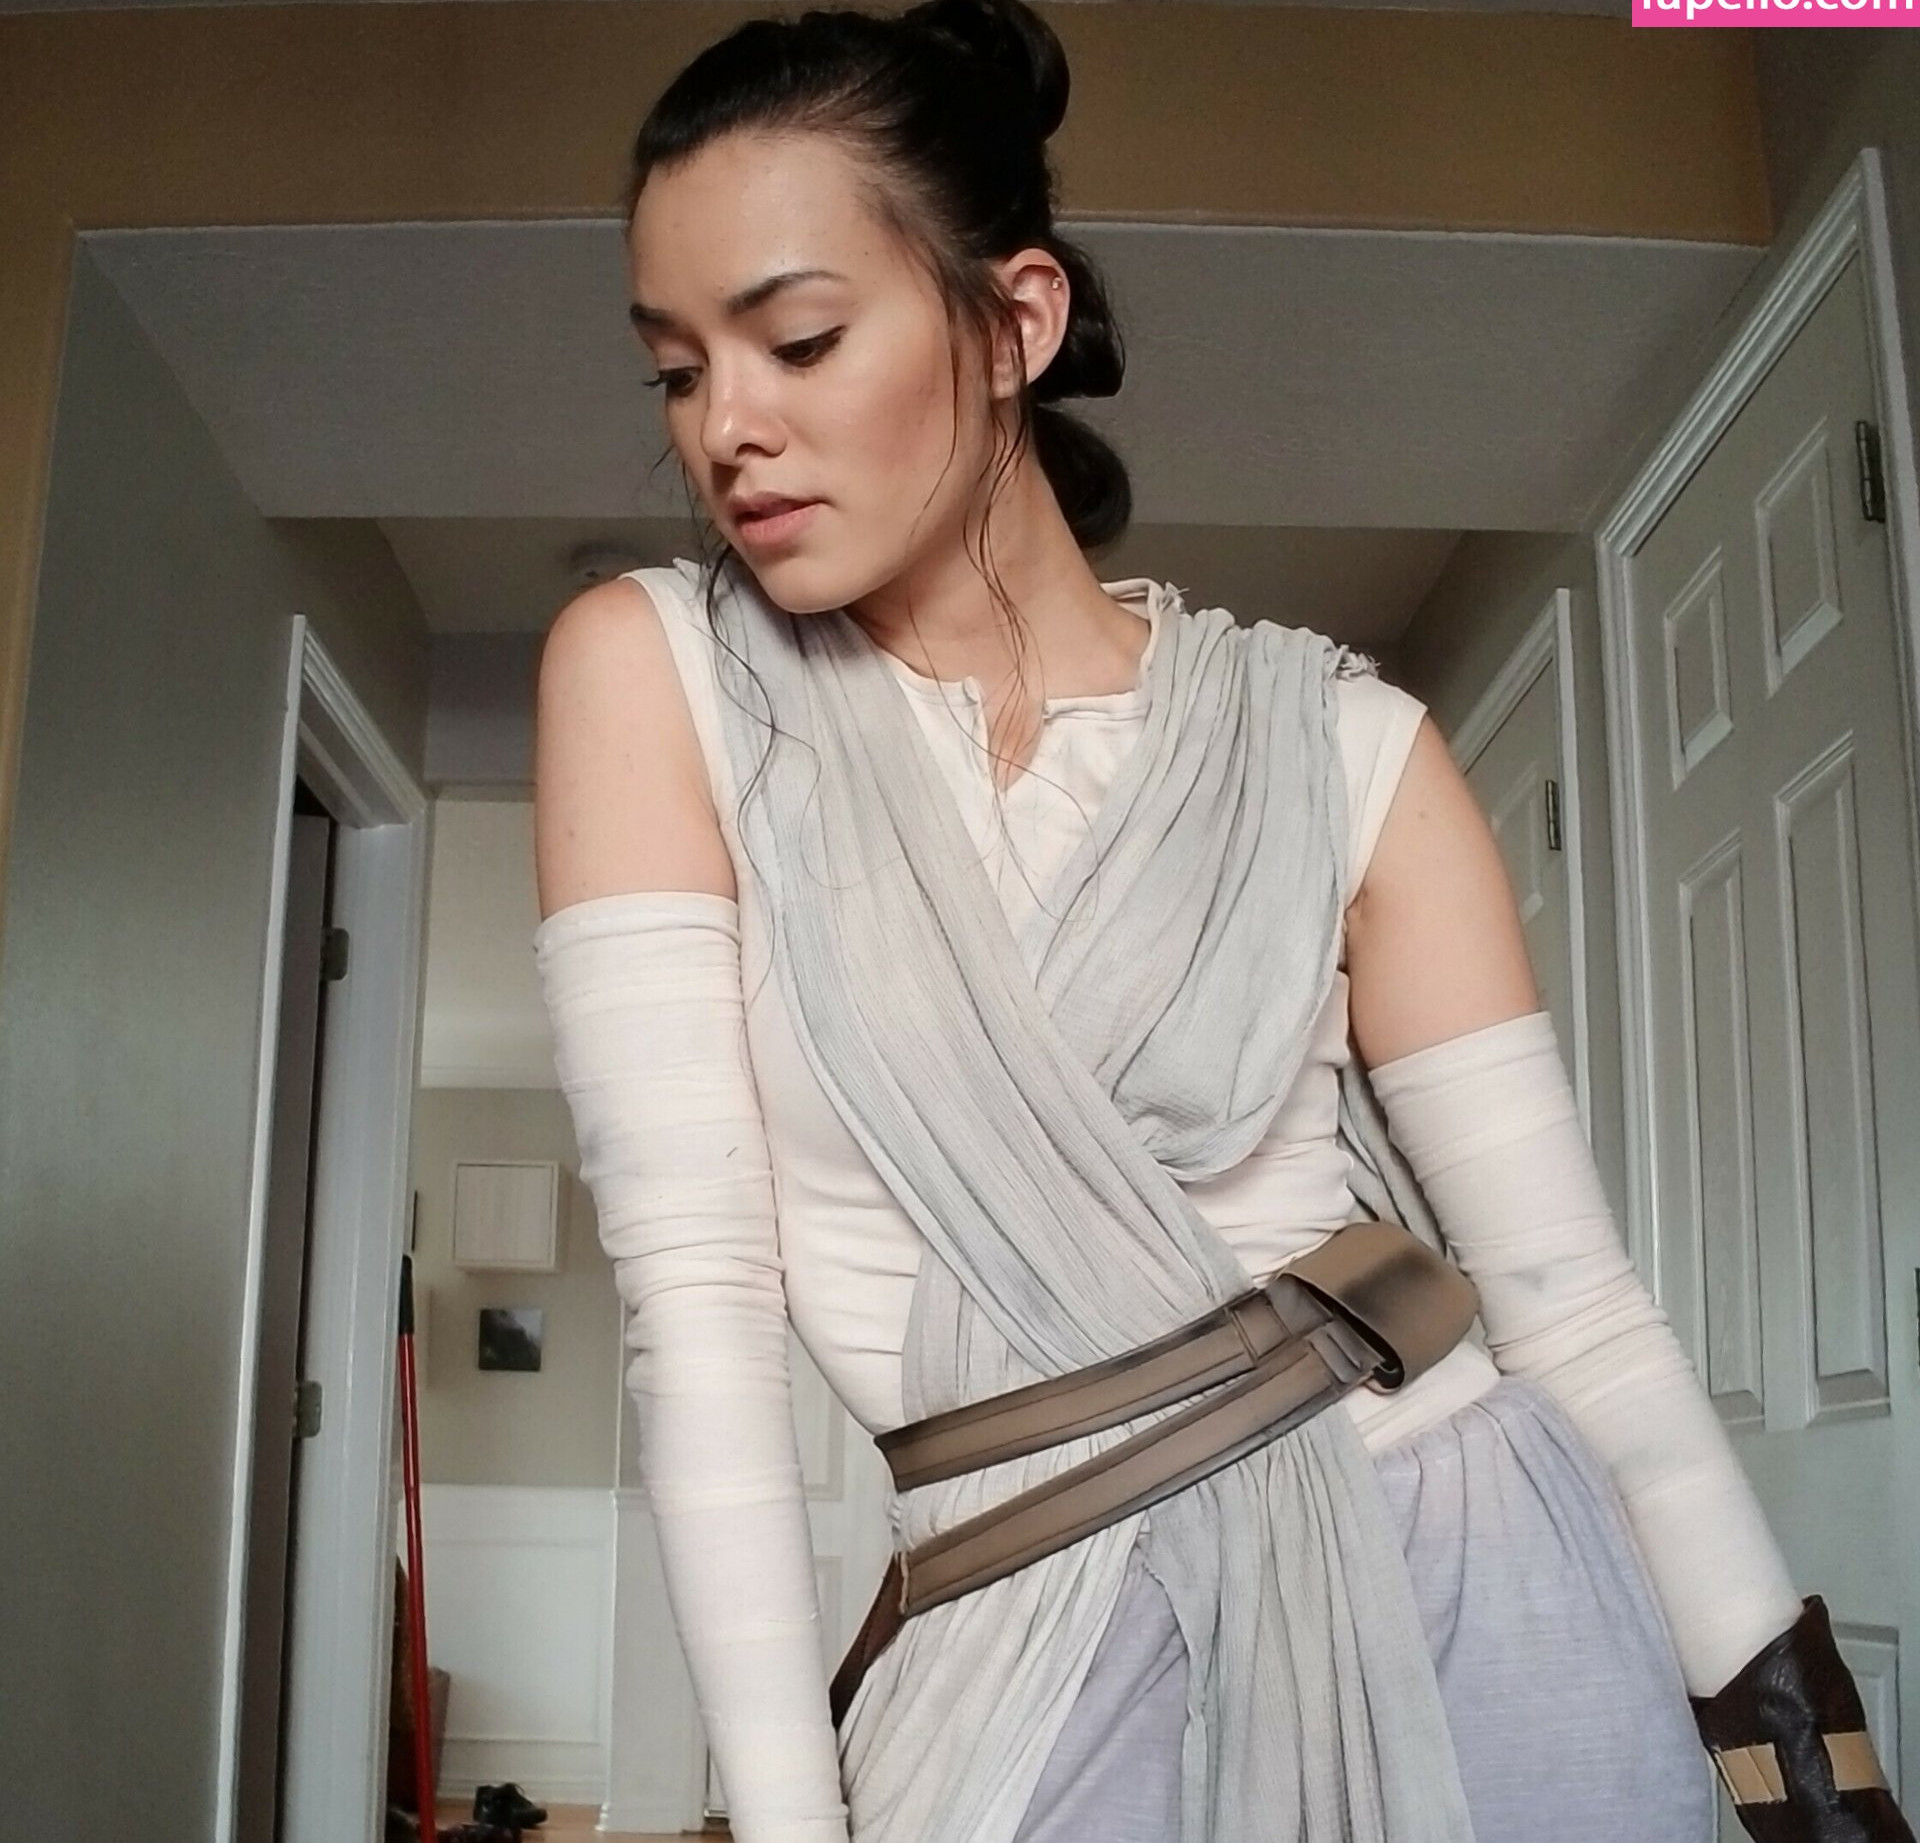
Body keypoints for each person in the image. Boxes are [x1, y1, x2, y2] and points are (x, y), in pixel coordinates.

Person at [530, 3, 1910, 1840]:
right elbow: (695, 1301)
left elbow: (1576, 1313)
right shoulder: (659, 680)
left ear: (1015, 322)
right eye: (676, 369)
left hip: (1469, 1563)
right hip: (1028, 1639)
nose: (727, 427)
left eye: (798, 340)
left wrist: (1826, 1800)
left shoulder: (1340, 744)